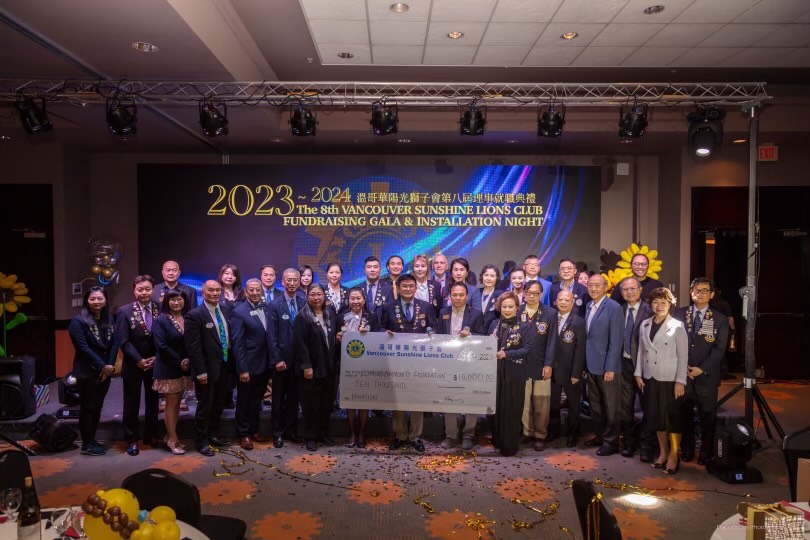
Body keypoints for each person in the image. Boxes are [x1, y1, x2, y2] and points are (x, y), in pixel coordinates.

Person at [673, 277, 729, 465]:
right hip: (683, 374)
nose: (701, 293)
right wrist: (683, 367)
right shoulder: (679, 314)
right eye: (697, 289)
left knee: (707, 415)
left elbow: (719, 349)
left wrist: (701, 368)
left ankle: (706, 452)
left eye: (705, 290)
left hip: (706, 375)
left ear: (712, 294)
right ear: (691, 292)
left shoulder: (719, 319)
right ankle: (687, 449)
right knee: (684, 414)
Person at [381, 273, 437, 453]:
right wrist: (385, 333)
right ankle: (400, 435)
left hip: (419, 361)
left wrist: (431, 333)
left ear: (415, 287)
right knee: (398, 399)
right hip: (396, 360)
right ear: (398, 287)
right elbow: (381, 328)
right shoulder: (389, 307)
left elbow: (433, 327)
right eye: (404, 286)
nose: (407, 289)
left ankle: (415, 436)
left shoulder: (426, 306)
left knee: (416, 398)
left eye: (411, 286)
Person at [635, 287, 688, 475]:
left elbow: (683, 356)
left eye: (663, 302)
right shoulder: (645, 324)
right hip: (650, 377)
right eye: (656, 302)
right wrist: (638, 373)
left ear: (670, 304)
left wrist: (680, 381)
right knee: (656, 417)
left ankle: (674, 455)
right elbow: (641, 351)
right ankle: (663, 452)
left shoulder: (678, 326)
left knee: (672, 419)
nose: (659, 306)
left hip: (670, 378)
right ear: (651, 304)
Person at [185, 280, 232, 456]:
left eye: (218, 290)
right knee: (205, 405)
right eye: (211, 290)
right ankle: (202, 441)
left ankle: (213, 435)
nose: (215, 293)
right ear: (203, 293)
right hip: (206, 369)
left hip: (225, 366)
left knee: (218, 404)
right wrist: (200, 371)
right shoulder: (195, 315)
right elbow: (194, 347)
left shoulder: (226, 310)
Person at [69, 286, 118, 456]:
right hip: (87, 371)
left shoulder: (109, 319)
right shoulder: (78, 322)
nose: (96, 302)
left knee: (98, 406)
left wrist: (110, 366)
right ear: (86, 301)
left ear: (105, 301)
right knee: (88, 407)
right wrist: (102, 366)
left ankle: (92, 439)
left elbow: (114, 344)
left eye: (100, 298)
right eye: (92, 299)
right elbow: (82, 348)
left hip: (106, 371)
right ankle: (86, 444)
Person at [437, 282, 486, 450]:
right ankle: (450, 435)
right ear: (449, 296)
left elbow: (483, 337)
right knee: (449, 398)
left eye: (461, 295)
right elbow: (438, 336)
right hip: (448, 362)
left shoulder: (476, 314)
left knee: (470, 397)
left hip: (469, 362)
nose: (457, 298)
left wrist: (470, 335)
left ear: (467, 296)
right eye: (454, 295)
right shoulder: (443, 312)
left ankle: (468, 435)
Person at [116, 275, 161, 456]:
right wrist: (139, 360)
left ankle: (151, 435)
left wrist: (157, 357)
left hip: (155, 363)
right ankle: (131, 439)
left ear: (153, 290)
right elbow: (123, 341)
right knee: (132, 403)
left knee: (153, 402)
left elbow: (164, 336)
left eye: (148, 289)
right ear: (134, 290)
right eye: (140, 289)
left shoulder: (160, 308)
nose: (144, 292)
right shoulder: (124, 311)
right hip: (133, 364)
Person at [293, 284, 338, 452]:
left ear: (324, 295)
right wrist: (306, 366)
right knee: (310, 405)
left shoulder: (330, 314)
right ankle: (310, 437)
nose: (316, 297)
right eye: (313, 294)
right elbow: (300, 345)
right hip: (311, 370)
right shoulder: (302, 317)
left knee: (326, 404)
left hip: (328, 368)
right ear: (307, 296)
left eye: (319, 294)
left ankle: (323, 433)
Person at [583, 274, 624, 456]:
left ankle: (611, 442)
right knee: (595, 405)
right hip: (591, 365)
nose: (593, 288)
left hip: (607, 367)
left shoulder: (614, 308)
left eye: (597, 285)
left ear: (606, 287)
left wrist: (611, 367)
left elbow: (616, 341)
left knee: (611, 406)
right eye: (590, 285)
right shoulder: (588, 306)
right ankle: (599, 436)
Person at [488, 291, 533, 457]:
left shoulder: (524, 326)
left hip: (515, 373)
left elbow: (527, 349)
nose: (507, 309)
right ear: (500, 307)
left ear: (517, 308)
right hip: (496, 373)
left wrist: (507, 354)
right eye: (504, 306)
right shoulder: (494, 324)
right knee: (497, 407)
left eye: (510, 306)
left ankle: (509, 446)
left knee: (512, 409)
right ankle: (498, 441)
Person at [267, 268, 306, 448]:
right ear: (282, 282)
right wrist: (277, 359)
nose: (292, 283)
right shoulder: (275, 305)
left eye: (295, 280)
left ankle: (291, 430)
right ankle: (278, 432)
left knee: (294, 398)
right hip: (281, 362)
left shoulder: (304, 301)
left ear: (299, 282)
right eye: (288, 280)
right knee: (278, 399)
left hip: (298, 362)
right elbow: (272, 336)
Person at [231, 279, 271, 451]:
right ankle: (243, 433)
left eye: (258, 290)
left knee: (257, 401)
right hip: (248, 365)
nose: (255, 293)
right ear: (246, 292)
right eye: (251, 290)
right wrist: (242, 369)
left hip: (264, 364)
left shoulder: (267, 308)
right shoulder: (239, 312)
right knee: (244, 401)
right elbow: (237, 343)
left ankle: (254, 430)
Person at [336, 287, 379, 448]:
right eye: (352, 298)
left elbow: (377, 338)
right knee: (350, 398)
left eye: (358, 298)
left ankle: (362, 433)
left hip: (366, 363)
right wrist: (338, 338)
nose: (355, 301)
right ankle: (351, 433)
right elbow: (335, 338)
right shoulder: (341, 317)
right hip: (347, 363)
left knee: (363, 399)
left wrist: (368, 336)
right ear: (348, 301)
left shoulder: (371, 316)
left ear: (364, 300)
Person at [518, 280, 558, 451]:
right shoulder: (517, 310)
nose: (532, 295)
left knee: (541, 402)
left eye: (536, 293)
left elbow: (552, 341)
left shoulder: (550, 313)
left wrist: (549, 364)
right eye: (529, 292)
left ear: (541, 294)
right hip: (521, 364)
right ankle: (528, 432)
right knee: (525, 401)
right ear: (524, 293)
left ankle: (541, 434)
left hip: (541, 363)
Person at [152, 289, 191, 455]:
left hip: (185, 367)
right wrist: (179, 361)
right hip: (168, 366)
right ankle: (173, 440)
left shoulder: (187, 318)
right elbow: (161, 346)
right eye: (173, 300)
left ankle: (169, 435)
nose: (177, 303)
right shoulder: (161, 320)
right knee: (171, 404)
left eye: (180, 299)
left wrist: (188, 359)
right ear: (166, 302)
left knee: (176, 405)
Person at [618, 277, 652, 459]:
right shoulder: (619, 310)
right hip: (624, 365)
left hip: (645, 367)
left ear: (640, 290)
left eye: (632, 288)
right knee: (626, 406)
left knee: (648, 406)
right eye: (625, 290)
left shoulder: (650, 309)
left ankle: (646, 445)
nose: (629, 292)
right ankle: (629, 443)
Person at [550, 290, 586, 447]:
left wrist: (576, 372)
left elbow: (580, 349)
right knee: (553, 403)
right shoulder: (551, 319)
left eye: (567, 300)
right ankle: (553, 431)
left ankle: (573, 433)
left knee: (573, 404)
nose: (563, 302)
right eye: (561, 299)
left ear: (572, 303)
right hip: (552, 370)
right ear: (555, 301)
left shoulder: (578, 322)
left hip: (571, 371)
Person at [479, 264, 504, 330]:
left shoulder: (501, 294)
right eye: (486, 275)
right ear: (482, 276)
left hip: (492, 331)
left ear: (497, 278)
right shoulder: (476, 292)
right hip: (475, 331)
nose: (488, 278)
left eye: (492, 276)